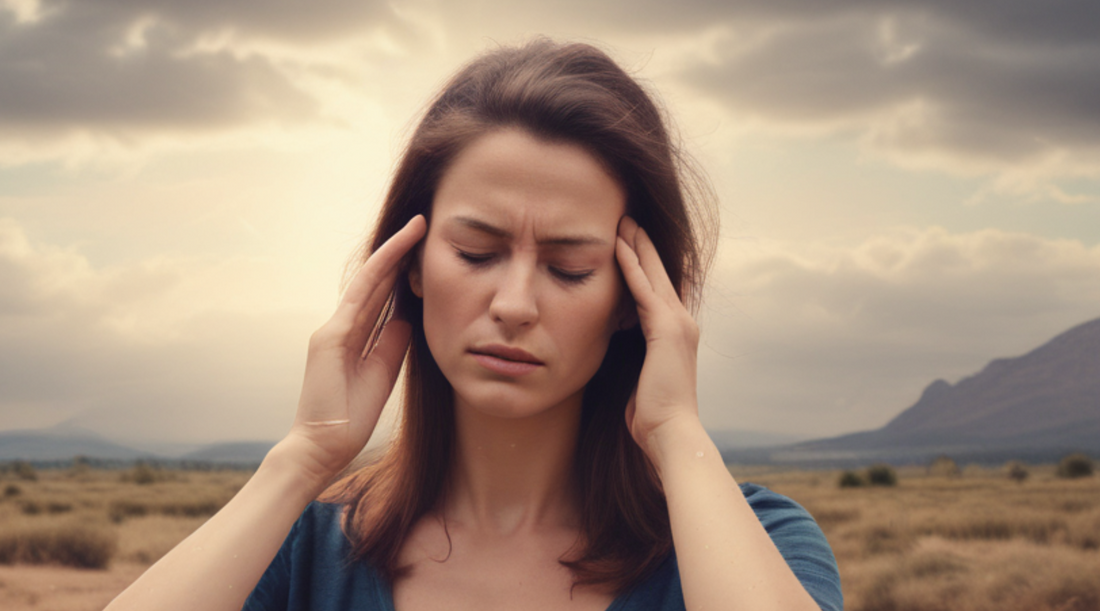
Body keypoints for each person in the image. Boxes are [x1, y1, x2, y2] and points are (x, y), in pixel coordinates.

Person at [105, 39, 842, 611]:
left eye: (570, 267)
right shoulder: (303, 551)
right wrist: (302, 458)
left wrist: (679, 432)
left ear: (634, 299)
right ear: (412, 265)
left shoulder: (755, 541)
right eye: (477, 252)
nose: (515, 302)